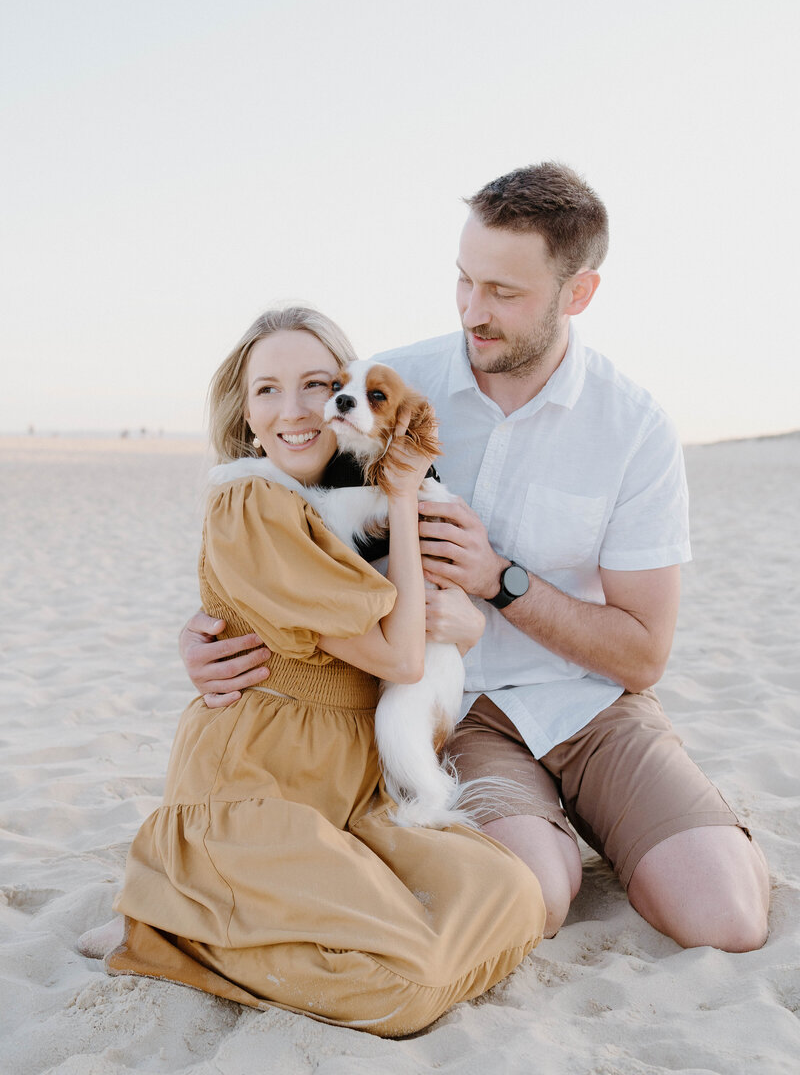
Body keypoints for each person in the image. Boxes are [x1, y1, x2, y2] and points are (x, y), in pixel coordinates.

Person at [181, 164, 770, 953]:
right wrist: (205, 627)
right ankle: (544, 832)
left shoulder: (634, 428)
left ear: (579, 293)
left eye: (504, 292)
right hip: (453, 709)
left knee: (725, 919)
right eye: (464, 281)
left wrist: (502, 581)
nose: (472, 311)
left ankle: (643, 821)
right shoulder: (389, 384)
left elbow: (644, 655)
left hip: (593, 705)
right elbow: (285, 521)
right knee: (534, 898)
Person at [90, 307, 545, 1038]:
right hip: (256, 791)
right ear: (245, 409)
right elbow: (399, 654)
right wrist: (402, 495)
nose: (294, 411)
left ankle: (232, 915)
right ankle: (172, 925)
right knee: (409, 983)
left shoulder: (335, 502)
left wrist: (466, 621)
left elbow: (413, 619)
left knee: (513, 894)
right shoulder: (251, 501)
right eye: (267, 390)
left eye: (317, 384)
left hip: (350, 794)